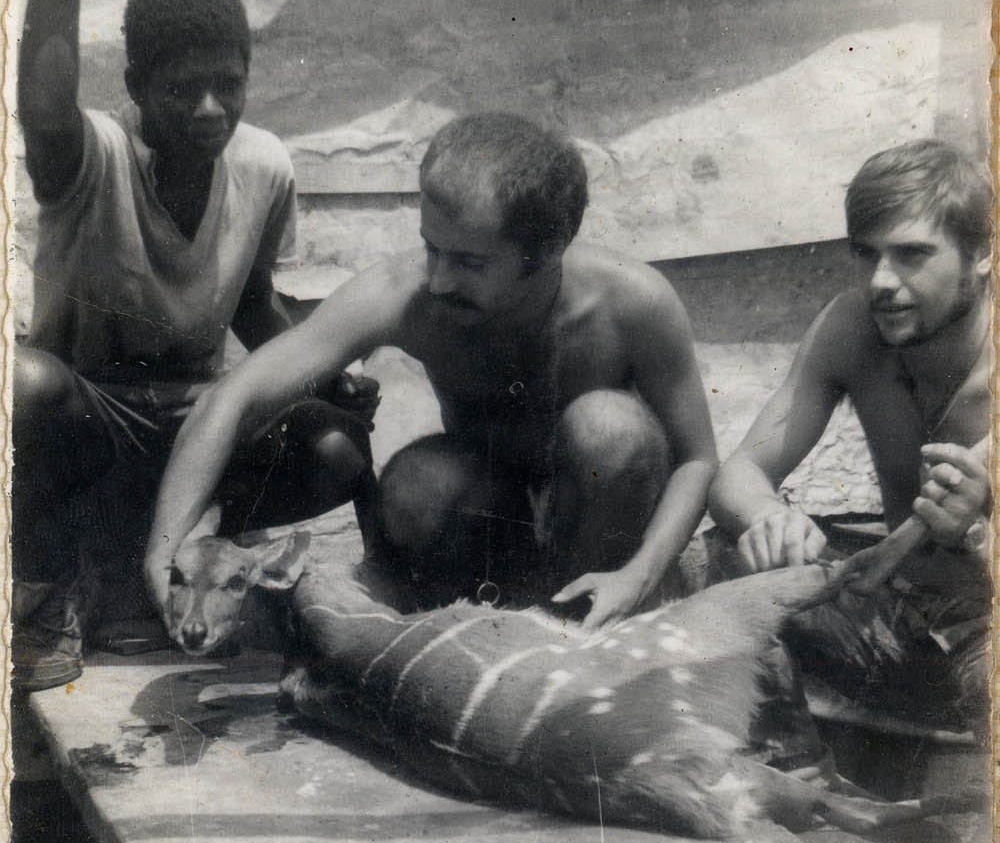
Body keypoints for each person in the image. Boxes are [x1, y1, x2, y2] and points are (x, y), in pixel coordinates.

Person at [146, 112, 718, 630]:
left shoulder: (634, 303)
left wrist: (639, 575)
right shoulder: (406, 293)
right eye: (431, 248)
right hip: (496, 523)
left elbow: (698, 459)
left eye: (469, 262)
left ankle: (590, 618)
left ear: (546, 253)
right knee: (417, 486)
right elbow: (235, 397)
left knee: (609, 429)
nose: (439, 280)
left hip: (602, 527)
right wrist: (162, 551)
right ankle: (506, 618)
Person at [13, 0, 376, 691]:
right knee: (23, 385)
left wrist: (326, 373)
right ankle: (47, 599)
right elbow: (42, 100)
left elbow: (249, 301)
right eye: (182, 89)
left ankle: (200, 572)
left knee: (336, 443)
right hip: (91, 429)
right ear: (137, 85)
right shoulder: (89, 159)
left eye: (229, 83)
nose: (211, 108)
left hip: (191, 434)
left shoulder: (263, 166)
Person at [708, 139, 992, 775]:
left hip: (985, 644)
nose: (881, 283)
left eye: (913, 255)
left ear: (981, 253)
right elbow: (740, 474)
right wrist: (766, 520)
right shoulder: (851, 328)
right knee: (715, 556)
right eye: (867, 255)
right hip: (891, 621)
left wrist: (977, 530)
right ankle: (803, 780)